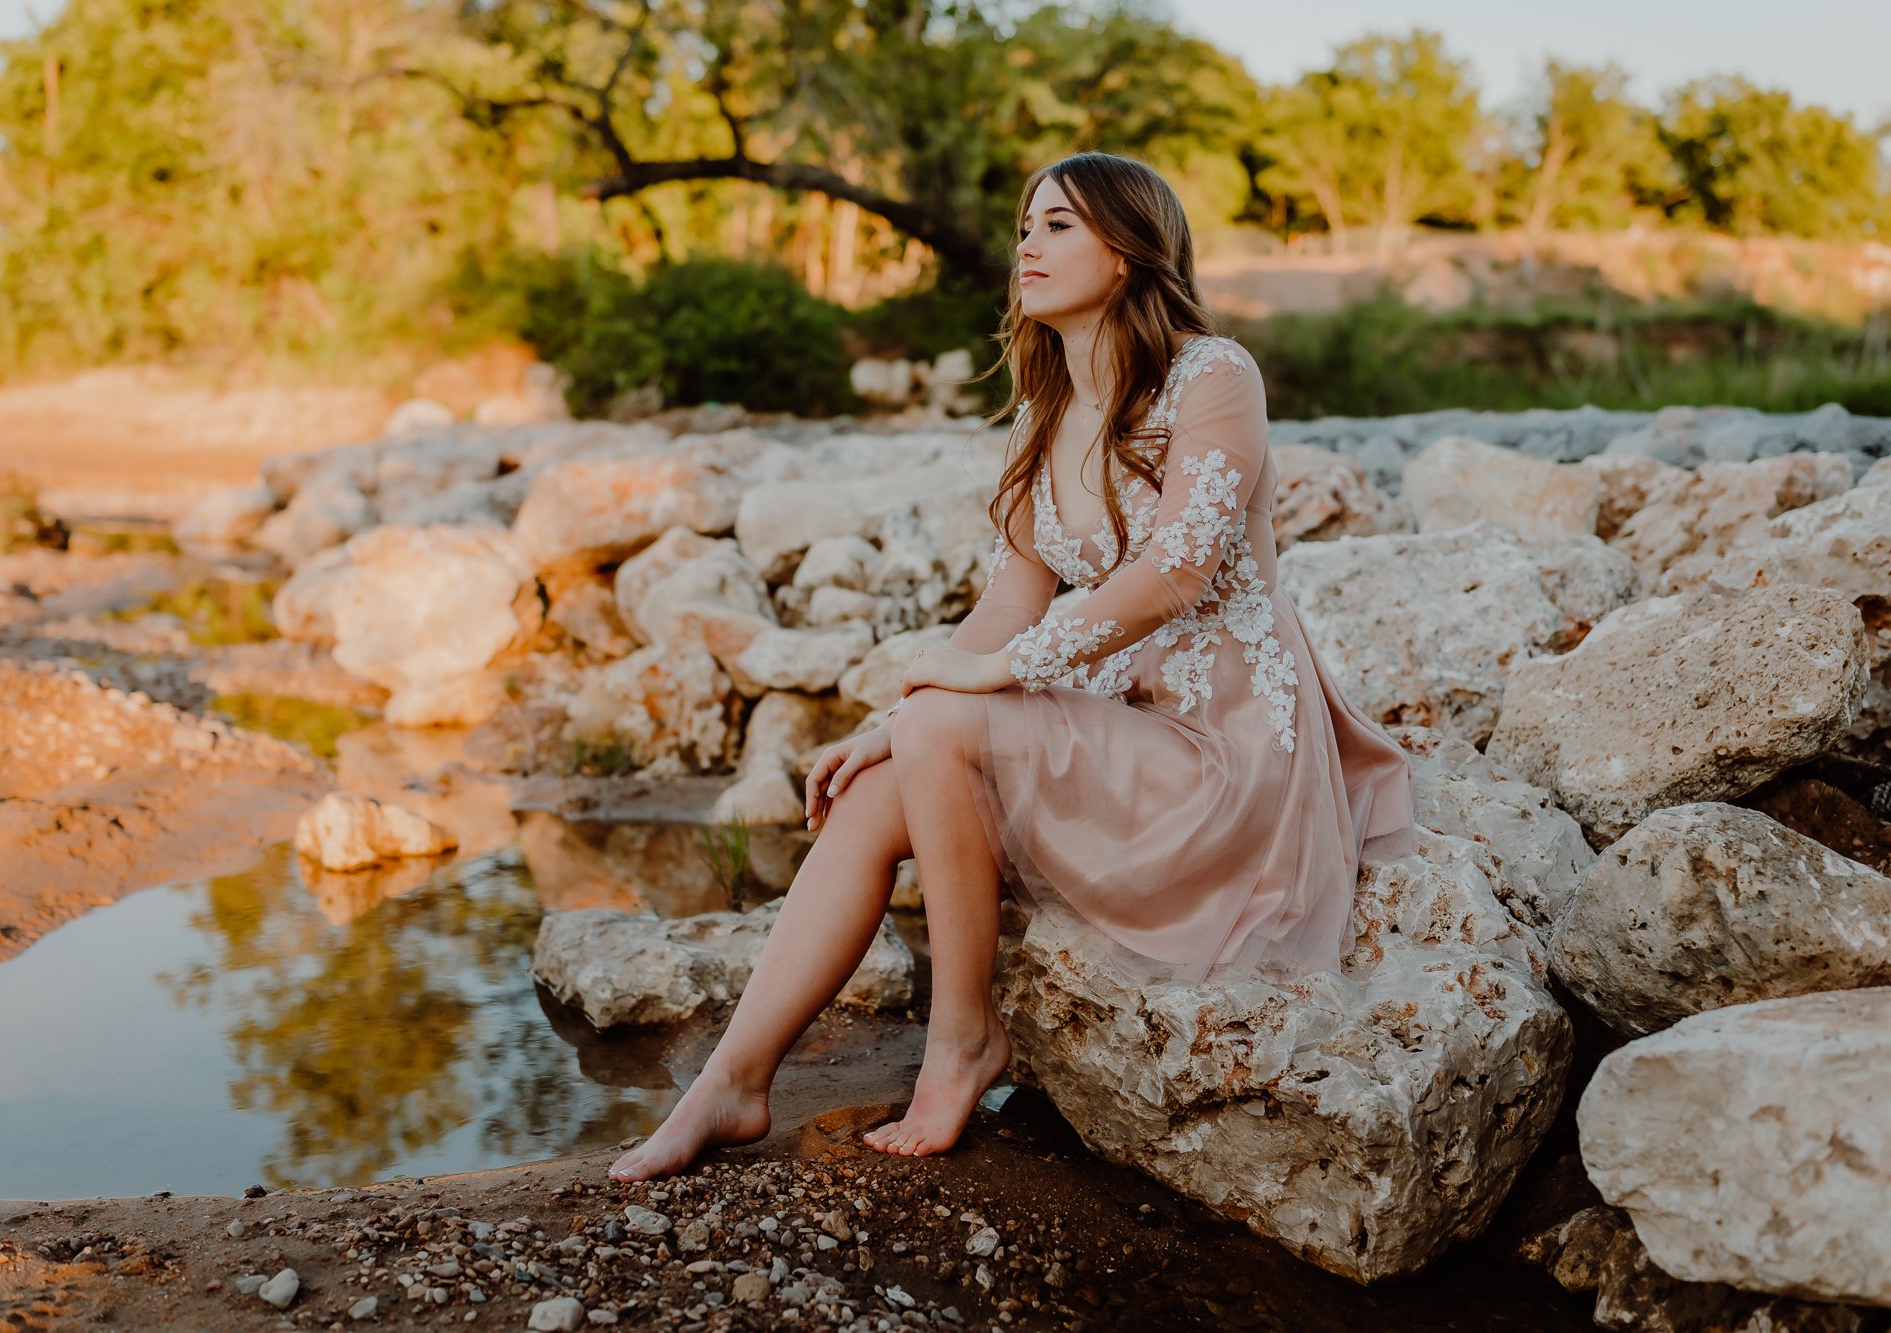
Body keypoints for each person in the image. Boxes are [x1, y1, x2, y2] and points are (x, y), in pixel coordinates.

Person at [606, 151, 1419, 1183]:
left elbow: (1175, 571)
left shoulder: (1213, 376)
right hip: (1124, 728)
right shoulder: (1043, 416)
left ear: (1126, 254)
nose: (1025, 247)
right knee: (884, 780)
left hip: (1229, 759)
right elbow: (1007, 602)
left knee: (941, 730)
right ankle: (731, 1081)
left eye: (1058, 227)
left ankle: (960, 1042)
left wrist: (991, 682)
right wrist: (896, 714)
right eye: (1024, 228)